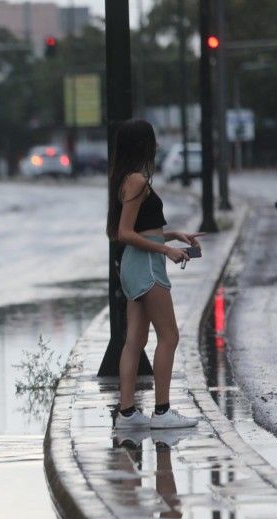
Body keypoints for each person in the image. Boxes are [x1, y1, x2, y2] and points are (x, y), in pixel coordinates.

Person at [107, 119, 202, 430]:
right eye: (153, 141)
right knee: (169, 335)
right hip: (147, 264)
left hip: (137, 262)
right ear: (142, 145)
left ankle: (127, 414)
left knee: (135, 339)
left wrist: (174, 235)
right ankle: (162, 412)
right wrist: (165, 251)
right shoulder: (136, 181)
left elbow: (143, 228)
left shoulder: (125, 178)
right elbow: (123, 232)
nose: (158, 146)